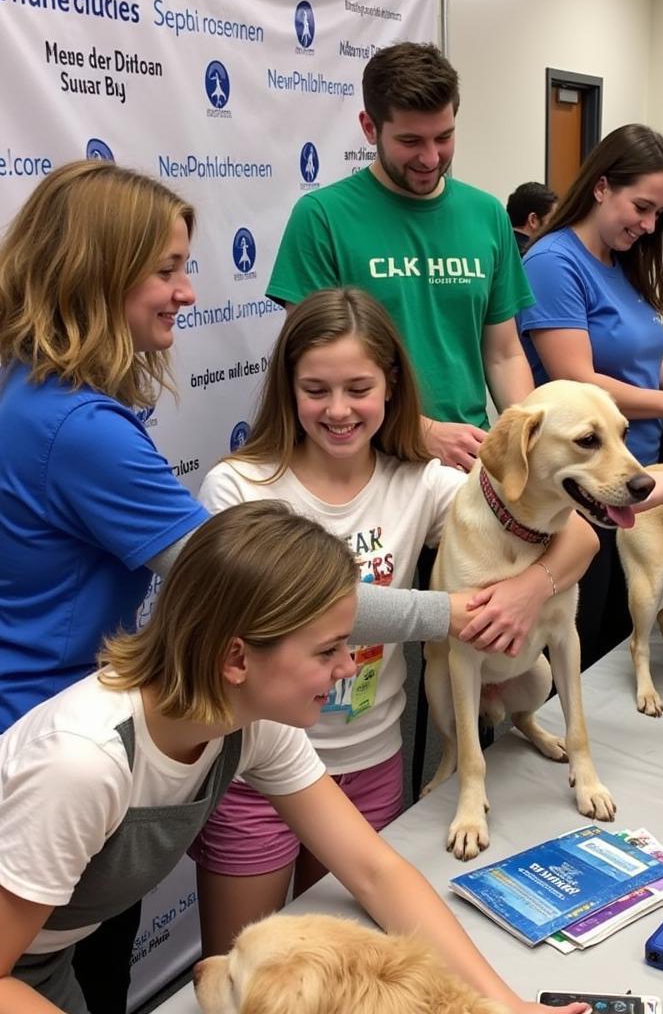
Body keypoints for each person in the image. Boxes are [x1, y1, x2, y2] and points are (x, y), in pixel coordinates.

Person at [0, 502, 590, 1014]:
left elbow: (373, 870)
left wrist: (505, 1005)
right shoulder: (82, 764)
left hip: (44, 960)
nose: (345, 667)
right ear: (237, 658)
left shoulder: (248, 718)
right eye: (328, 649)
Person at [187, 287, 598, 956]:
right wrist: (446, 613)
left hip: (371, 765)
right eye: (316, 389)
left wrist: (530, 587)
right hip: (254, 775)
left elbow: (576, 535)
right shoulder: (241, 488)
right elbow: (284, 610)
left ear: (391, 387)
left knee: (347, 966)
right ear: (287, 389)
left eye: (358, 387)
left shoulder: (425, 484)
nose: (339, 409)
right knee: (242, 972)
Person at [0, 159, 209, 1014]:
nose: (187, 293)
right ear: (97, 272)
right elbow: (256, 588)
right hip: (54, 755)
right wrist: (455, 610)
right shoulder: (79, 428)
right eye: (166, 269)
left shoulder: (24, 392)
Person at [515, 123, 663, 669]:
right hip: (585, 482)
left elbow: (636, 360)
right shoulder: (553, 263)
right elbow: (578, 378)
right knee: (580, 638)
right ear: (601, 187)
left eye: (658, 213)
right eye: (640, 207)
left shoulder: (620, 263)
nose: (648, 224)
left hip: (636, 469)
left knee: (622, 624)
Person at [267, 42, 534, 473]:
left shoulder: (486, 215)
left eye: (444, 138)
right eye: (410, 141)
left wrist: (529, 433)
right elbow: (312, 368)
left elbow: (503, 354)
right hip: (364, 465)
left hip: (464, 461)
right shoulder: (322, 218)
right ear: (370, 128)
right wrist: (421, 430)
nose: (431, 158)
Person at [506, 180, 558, 255]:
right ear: (533, 220)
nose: (555, 226)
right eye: (552, 220)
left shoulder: (498, 245)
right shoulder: (535, 255)